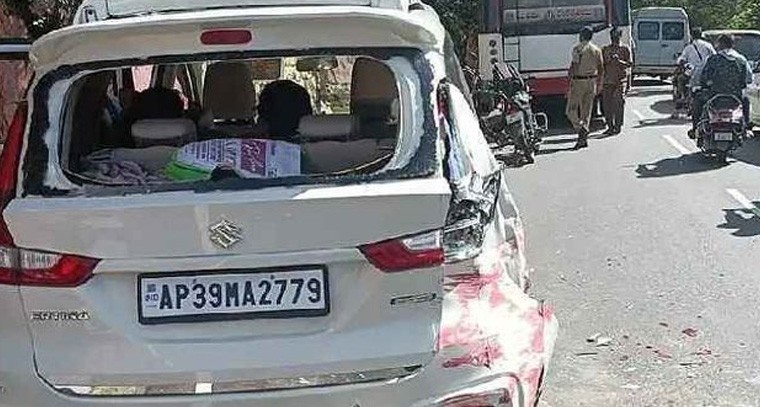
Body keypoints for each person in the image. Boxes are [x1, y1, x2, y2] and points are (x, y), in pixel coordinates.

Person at [696, 34, 753, 140]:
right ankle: (746, 128)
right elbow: (749, 79)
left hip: (714, 97)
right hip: (735, 98)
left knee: (697, 100)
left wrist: (705, 84)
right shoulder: (741, 59)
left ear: (720, 44)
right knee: (746, 101)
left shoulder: (713, 59)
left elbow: (703, 78)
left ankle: (696, 128)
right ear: (732, 44)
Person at [566, 26, 604, 149]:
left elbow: (574, 66)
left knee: (570, 110)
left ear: (581, 35)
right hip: (592, 81)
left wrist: (569, 82)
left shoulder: (578, 49)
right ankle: (583, 139)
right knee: (586, 112)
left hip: (579, 81)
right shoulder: (597, 50)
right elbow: (601, 68)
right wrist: (599, 84)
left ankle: (581, 128)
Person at [678, 27, 716, 137]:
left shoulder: (689, 47)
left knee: (680, 79)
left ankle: (683, 97)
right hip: (708, 75)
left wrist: (685, 66)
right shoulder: (708, 45)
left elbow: (681, 60)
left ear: (691, 36)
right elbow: (715, 57)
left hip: (693, 74)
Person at [601, 27, 632, 135]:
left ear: (620, 36)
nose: (614, 38)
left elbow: (629, 64)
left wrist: (619, 61)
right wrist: (609, 60)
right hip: (607, 80)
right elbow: (601, 64)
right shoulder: (605, 49)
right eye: (612, 36)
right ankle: (610, 126)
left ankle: (618, 126)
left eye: (616, 36)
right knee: (607, 105)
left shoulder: (625, 49)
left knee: (618, 102)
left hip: (620, 80)